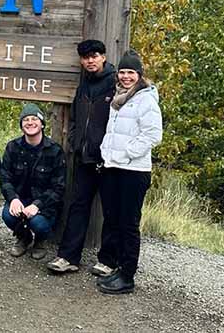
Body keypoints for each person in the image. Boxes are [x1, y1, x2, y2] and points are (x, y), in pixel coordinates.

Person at [48, 39, 117, 275]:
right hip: (84, 157)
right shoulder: (84, 84)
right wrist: (75, 142)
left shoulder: (116, 83)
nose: (90, 60)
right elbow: (77, 118)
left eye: (94, 56)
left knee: (111, 210)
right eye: (86, 57)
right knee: (78, 206)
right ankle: (68, 257)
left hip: (109, 160)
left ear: (103, 57)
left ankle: (107, 260)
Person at [96, 50, 162, 295]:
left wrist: (126, 153)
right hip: (113, 167)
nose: (125, 76)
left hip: (133, 171)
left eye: (130, 72)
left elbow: (153, 135)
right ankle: (118, 267)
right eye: (122, 72)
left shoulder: (145, 99)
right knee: (113, 219)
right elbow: (112, 132)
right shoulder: (119, 97)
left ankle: (127, 276)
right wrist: (107, 152)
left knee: (128, 223)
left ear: (139, 75)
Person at [0, 103, 66, 260]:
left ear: (42, 124)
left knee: (39, 224)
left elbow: (58, 187)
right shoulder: (12, 147)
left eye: (34, 119)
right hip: (20, 199)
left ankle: (40, 241)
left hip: (44, 204)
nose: (30, 122)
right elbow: (4, 177)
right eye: (26, 120)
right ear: (21, 125)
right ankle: (24, 238)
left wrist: (37, 205)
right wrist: (13, 199)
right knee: (8, 216)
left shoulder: (55, 150)